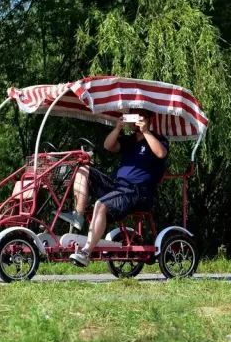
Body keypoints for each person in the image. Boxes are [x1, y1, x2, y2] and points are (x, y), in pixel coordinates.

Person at [64, 109, 169, 267]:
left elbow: (161, 153)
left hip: (137, 192)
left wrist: (146, 131)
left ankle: (86, 253)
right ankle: (78, 215)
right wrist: (118, 127)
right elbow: (108, 146)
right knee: (82, 168)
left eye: (140, 117)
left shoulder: (158, 139)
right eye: (133, 117)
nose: (136, 121)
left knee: (101, 205)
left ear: (149, 119)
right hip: (118, 186)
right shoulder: (130, 140)